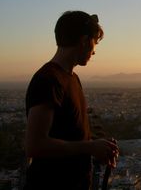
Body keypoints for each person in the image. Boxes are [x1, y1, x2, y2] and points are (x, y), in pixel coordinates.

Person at [24, 11, 119, 190]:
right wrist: (90, 147)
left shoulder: (71, 78)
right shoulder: (49, 80)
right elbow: (35, 146)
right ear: (84, 41)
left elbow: (69, 133)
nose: (94, 51)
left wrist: (99, 147)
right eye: (94, 42)